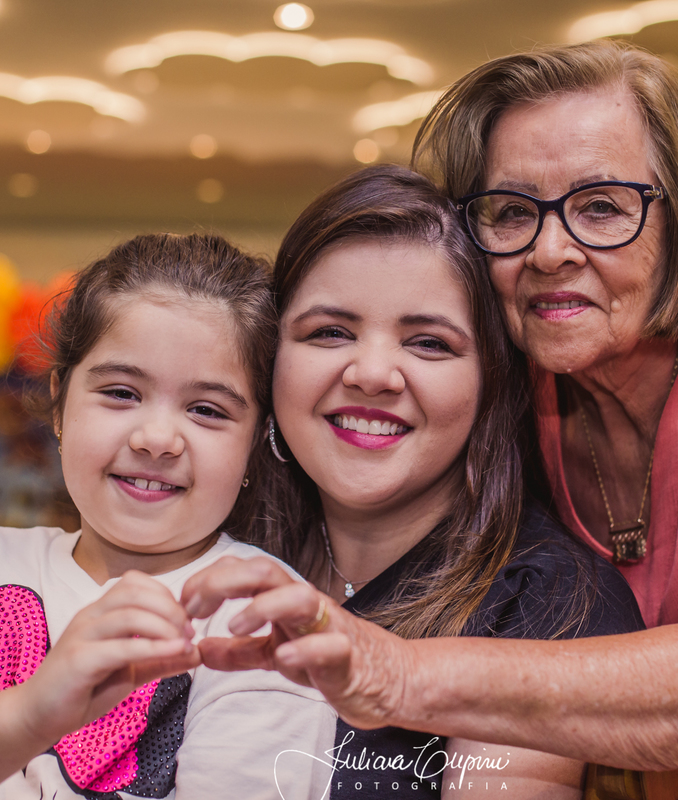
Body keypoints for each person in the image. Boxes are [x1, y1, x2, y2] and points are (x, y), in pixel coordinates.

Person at [181, 40, 678, 799]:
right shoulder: (529, 382)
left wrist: (391, 672)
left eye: (602, 207)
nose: (549, 251)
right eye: (511, 211)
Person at [0, 233, 336, 800]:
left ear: (256, 439)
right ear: (60, 402)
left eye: (206, 410)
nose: (156, 438)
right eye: (121, 392)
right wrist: (29, 714)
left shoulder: (260, 617)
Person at [231, 164, 644, 799]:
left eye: (428, 343)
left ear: (491, 385)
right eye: (330, 332)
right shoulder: (219, 550)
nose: (372, 374)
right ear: (270, 362)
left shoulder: (549, 604)